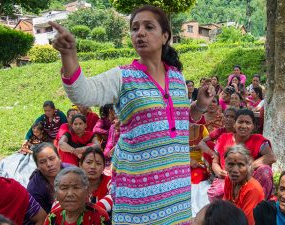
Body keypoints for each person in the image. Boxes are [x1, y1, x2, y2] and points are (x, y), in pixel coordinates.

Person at [50, 4, 215, 224]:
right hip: (140, 192)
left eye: (149, 27)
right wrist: (69, 54)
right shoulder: (123, 77)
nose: (140, 33)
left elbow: (177, 120)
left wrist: (200, 105)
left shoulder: (176, 76)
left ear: (165, 36)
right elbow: (82, 93)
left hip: (177, 189)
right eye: (135, 28)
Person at [209, 109, 275, 201]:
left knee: (265, 170)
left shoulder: (258, 139)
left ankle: (258, 206)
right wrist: (219, 171)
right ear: (234, 124)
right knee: (215, 194)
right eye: (240, 122)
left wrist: (246, 169)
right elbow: (215, 162)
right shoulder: (223, 138)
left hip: (249, 179)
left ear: (253, 126)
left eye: (248, 123)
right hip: (228, 179)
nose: (243, 126)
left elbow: (271, 157)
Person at [43, 167, 110, 225]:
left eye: (76, 187)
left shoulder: (99, 216)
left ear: (87, 191)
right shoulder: (52, 217)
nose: (70, 194)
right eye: (64, 188)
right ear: (57, 193)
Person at [223, 145, 264, 225]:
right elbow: (224, 206)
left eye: (240, 165)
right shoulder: (229, 179)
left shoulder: (253, 189)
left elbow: (247, 222)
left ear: (248, 166)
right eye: (230, 164)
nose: (235, 170)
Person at [27, 142, 72, 213]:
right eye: (42, 162)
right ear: (37, 166)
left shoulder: (72, 172)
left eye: (52, 159)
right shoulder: (34, 188)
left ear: (59, 158)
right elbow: (41, 217)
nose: (49, 164)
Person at [79, 148, 112, 213]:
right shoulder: (72, 182)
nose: (93, 167)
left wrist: (91, 212)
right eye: (89, 162)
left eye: (98, 163)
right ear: (80, 165)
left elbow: (114, 196)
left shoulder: (111, 181)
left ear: (104, 167)